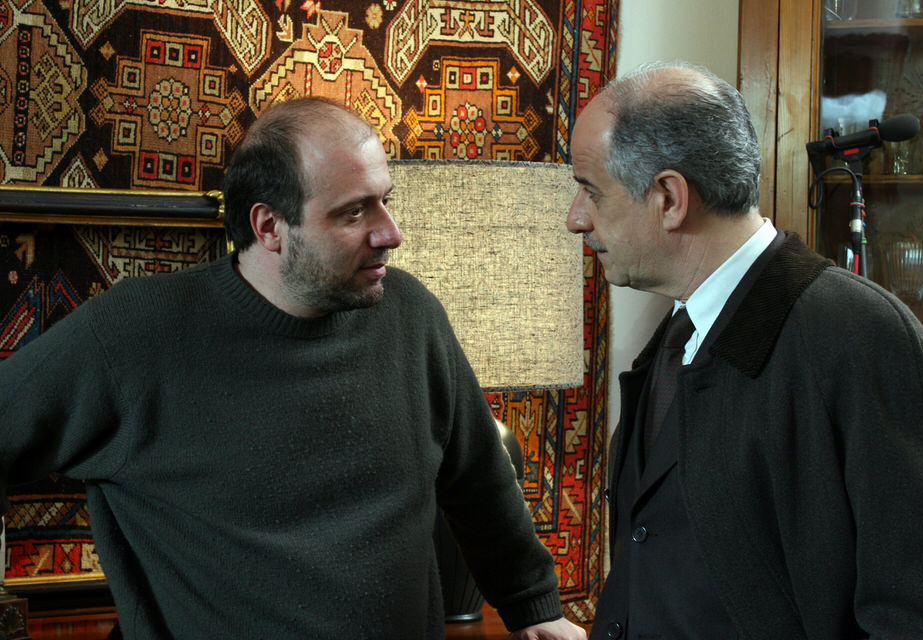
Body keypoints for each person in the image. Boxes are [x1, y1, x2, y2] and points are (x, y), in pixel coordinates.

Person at [0, 97, 587, 640]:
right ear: (269, 227)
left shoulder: (411, 314)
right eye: (354, 212)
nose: (391, 233)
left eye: (386, 200)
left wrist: (535, 607)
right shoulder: (133, 335)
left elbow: (478, 481)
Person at [566, 61, 923, 639]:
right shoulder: (677, 334)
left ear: (670, 198)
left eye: (591, 192)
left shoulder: (862, 335)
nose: (576, 220)